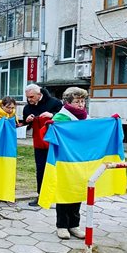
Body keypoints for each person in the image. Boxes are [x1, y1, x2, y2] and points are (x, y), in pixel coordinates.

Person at [49, 87, 88, 240]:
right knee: (64, 193)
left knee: (77, 192)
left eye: (83, 101)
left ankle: (74, 225)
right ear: (68, 103)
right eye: (77, 101)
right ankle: (62, 226)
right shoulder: (60, 118)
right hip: (64, 162)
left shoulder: (85, 117)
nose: (81, 105)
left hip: (80, 161)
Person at [22, 84, 62, 207]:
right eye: (27, 97)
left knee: (57, 168)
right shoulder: (27, 108)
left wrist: (53, 115)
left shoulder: (54, 102)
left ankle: (58, 195)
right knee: (40, 169)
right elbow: (25, 124)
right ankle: (41, 195)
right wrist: (27, 120)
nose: (29, 100)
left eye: (31, 97)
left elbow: (65, 118)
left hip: (55, 142)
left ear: (39, 94)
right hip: (39, 143)